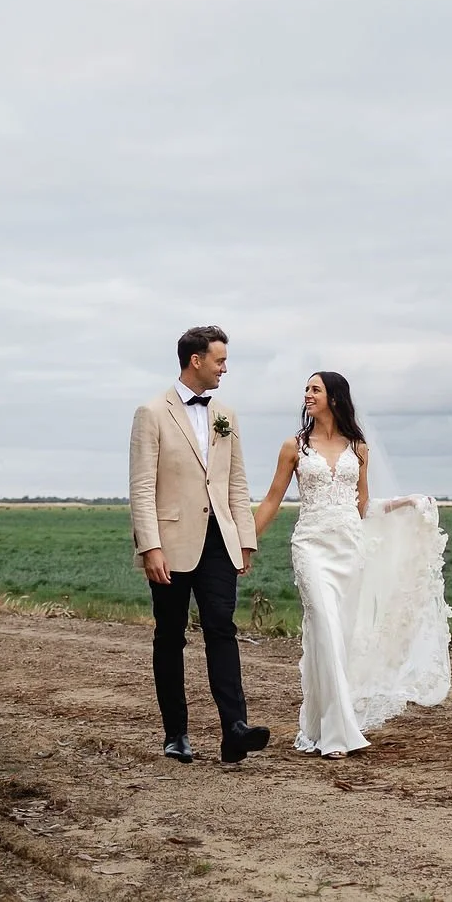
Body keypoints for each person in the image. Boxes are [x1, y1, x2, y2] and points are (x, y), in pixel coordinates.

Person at [253, 372, 451, 758]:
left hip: (349, 549)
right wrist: (244, 544)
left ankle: (318, 725)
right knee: (324, 628)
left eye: (315, 389)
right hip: (311, 546)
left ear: (335, 398)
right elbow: (273, 500)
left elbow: (362, 507)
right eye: (306, 389)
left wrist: (405, 503)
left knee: (337, 640)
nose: (307, 395)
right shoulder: (294, 447)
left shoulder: (359, 448)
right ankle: (339, 734)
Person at [128, 325, 273, 765]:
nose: (224, 368)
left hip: (219, 543)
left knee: (221, 629)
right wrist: (150, 547)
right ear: (196, 360)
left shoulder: (225, 413)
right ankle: (176, 734)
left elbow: (236, 480)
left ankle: (235, 729)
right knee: (170, 637)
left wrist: (244, 537)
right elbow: (141, 487)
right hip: (170, 543)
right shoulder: (151, 412)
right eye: (219, 360)